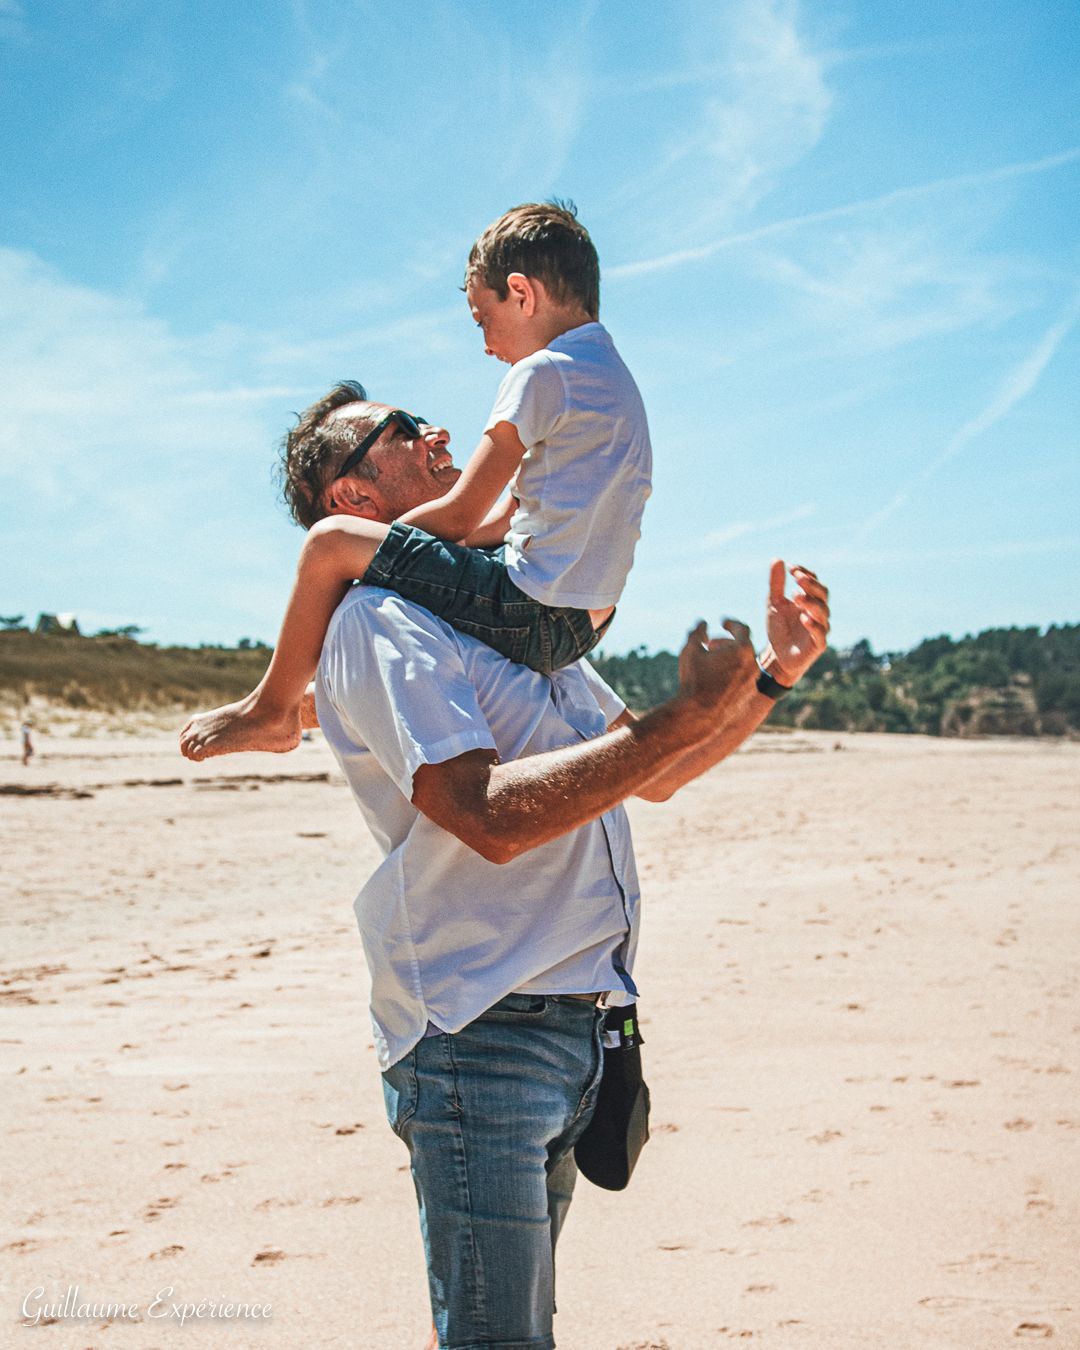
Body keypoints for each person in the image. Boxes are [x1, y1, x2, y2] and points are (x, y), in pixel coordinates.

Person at [237, 383, 830, 1349]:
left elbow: (656, 771)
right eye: (398, 432)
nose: (436, 432)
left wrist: (772, 676)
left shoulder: (510, 622)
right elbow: (484, 816)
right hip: (480, 1035)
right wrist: (679, 715)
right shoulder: (381, 620)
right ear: (351, 496)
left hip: (574, 1026)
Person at [180, 201, 651, 762]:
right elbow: (503, 521)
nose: (487, 345)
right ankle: (303, 703)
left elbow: (460, 515)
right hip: (584, 620)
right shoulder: (613, 379)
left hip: (533, 611)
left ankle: (271, 710)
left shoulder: (540, 374)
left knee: (330, 544)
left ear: (522, 294)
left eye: (483, 319)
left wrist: (370, 557)